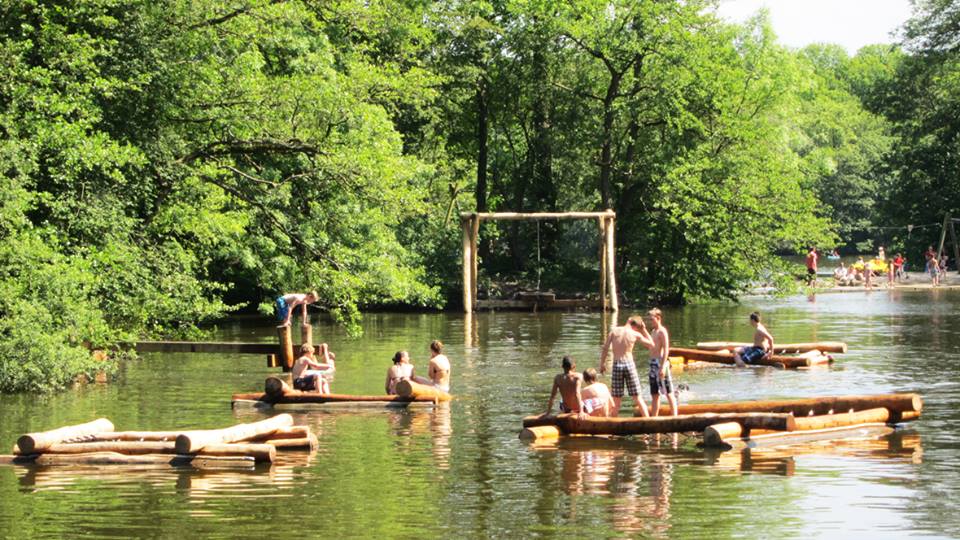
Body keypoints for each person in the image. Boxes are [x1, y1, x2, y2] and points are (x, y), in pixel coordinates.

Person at [600, 317, 651, 417]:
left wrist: (602, 364)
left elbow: (605, 348)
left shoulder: (614, 331)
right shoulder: (635, 333)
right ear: (636, 326)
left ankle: (612, 429)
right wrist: (643, 329)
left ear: (628, 321)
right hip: (629, 364)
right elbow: (651, 344)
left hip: (617, 364)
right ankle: (649, 426)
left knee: (616, 401)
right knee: (638, 398)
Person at [635, 308, 677, 417]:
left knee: (668, 392)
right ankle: (654, 419)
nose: (650, 322)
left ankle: (675, 418)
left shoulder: (662, 331)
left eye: (651, 319)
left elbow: (666, 348)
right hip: (653, 364)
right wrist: (642, 332)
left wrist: (663, 367)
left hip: (661, 362)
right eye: (648, 320)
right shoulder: (653, 331)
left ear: (658, 318)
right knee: (654, 394)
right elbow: (650, 346)